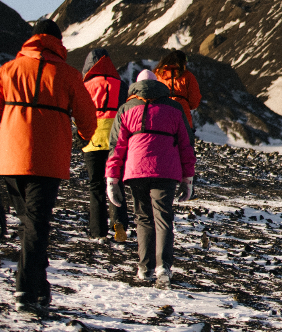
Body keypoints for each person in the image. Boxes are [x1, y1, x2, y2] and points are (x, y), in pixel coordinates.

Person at [0, 19, 97, 313]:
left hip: (10, 158)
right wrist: (84, 135)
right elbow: (87, 117)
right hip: (47, 159)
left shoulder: (7, 71)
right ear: (58, 42)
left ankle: (39, 289)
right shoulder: (67, 74)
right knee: (37, 225)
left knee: (29, 225)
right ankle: (26, 291)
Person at [106, 69, 196, 288]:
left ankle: (144, 267)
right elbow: (186, 144)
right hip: (166, 171)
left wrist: (112, 179)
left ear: (136, 86)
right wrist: (188, 178)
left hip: (135, 170)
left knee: (143, 218)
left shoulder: (126, 108)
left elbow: (116, 147)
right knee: (163, 218)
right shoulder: (174, 108)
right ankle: (163, 267)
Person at [81, 48, 129, 241]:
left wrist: (80, 136)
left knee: (95, 186)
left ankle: (97, 230)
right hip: (115, 139)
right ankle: (119, 223)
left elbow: (80, 113)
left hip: (92, 139)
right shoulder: (121, 85)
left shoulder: (85, 85)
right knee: (116, 182)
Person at [154, 50, 201, 136]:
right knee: (185, 145)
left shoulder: (158, 74)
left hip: (162, 113)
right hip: (183, 114)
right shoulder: (188, 76)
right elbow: (194, 100)